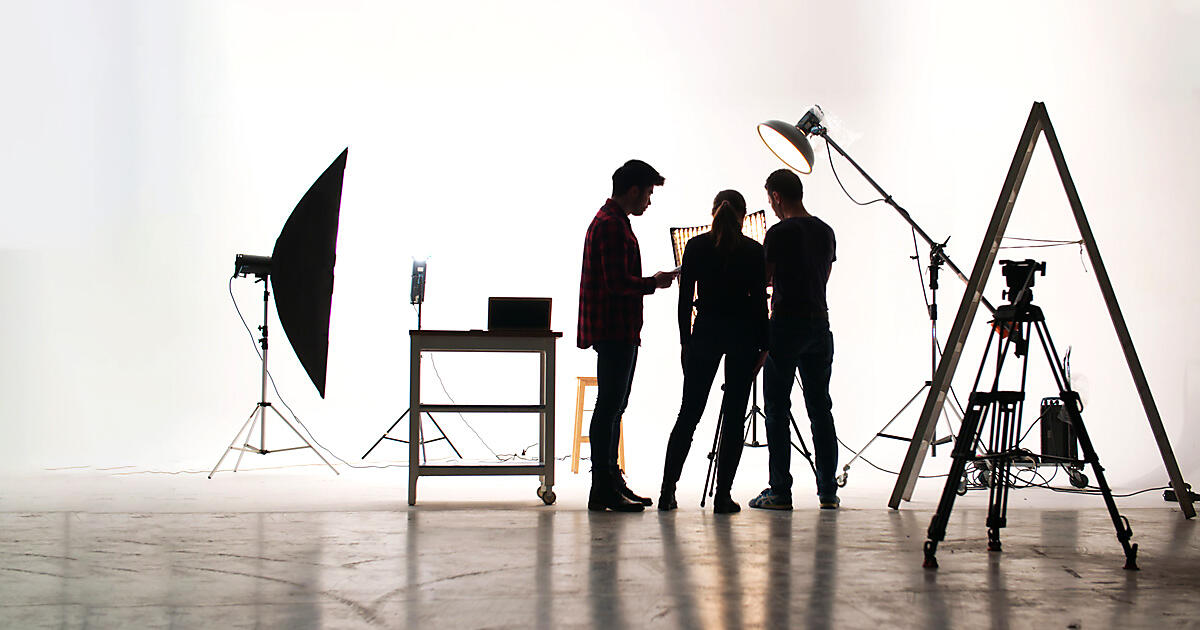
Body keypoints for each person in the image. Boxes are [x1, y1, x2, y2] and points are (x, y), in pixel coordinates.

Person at [659, 190, 768, 514]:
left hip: (705, 332)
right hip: (742, 337)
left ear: (712, 212)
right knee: (734, 418)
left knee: (688, 414)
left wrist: (685, 342)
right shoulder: (754, 251)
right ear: (743, 216)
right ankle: (723, 496)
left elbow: (684, 301)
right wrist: (764, 345)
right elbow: (759, 304)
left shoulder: (695, 246)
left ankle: (667, 492)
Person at [577, 159, 676, 512]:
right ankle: (602, 485)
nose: (649, 201)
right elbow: (616, 283)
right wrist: (655, 282)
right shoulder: (612, 226)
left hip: (616, 328)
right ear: (633, 190)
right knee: (609, 407)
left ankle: (610, 480)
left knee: (614, 406)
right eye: (648, 193)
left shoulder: (612, 221)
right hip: (614, 329)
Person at [749, 169, 840, 510]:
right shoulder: (825, 231)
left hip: (786, 324)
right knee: (820, 409)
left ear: (776, 196)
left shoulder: (779, 232)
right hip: (819, 324)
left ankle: (780, 491)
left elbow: (763, 280)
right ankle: (828, 491)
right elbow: (822, 278)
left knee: (776, 408)